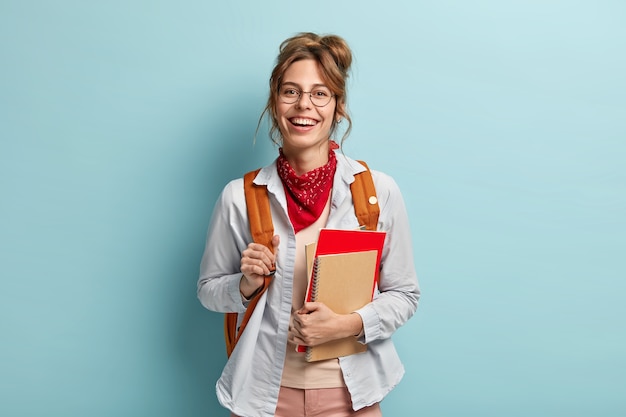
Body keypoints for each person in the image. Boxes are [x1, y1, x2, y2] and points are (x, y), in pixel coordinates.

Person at [197, 32, 420, 417]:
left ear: (338, 106)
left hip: (351, 398)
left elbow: (404, 294)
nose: (304, 105)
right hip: (264, 397)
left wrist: (348, 325)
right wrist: (246, 286)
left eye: (320, 93)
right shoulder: (239, 197)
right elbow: (208, 291)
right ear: (275, 102)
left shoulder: (377, 192)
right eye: (290, 91)